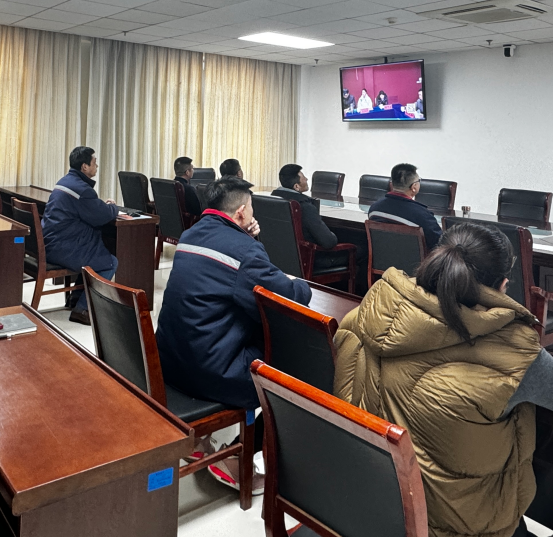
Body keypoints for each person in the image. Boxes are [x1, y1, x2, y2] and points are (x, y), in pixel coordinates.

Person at [334, 222, 553, 537]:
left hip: (378, 502)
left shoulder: (370, 312)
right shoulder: (513, 351)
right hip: (463, 525)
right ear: (502, 285)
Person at [156, 176, 312, 492]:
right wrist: (301, 284)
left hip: (170, 364)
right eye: (251, 210)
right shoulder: (244, 251)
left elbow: (233, 273)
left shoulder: (189, 235)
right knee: (298, 365)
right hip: (212, 374)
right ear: (241, 212)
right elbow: (288, 298)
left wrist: (248, 240)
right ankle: (236, 458)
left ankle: (201, 440)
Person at [42, 146, 119, 325]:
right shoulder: (82, 190)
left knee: (93, 255)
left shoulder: (64, 182)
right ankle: (83, 309)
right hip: (63, 247)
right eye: (94, 163)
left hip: (51, 242)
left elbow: (89, 209)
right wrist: (113, 207)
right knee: (109, 262)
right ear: (84, 166)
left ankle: (76, 298)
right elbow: (101, 216)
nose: (96, 166)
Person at [272, 164, 366, 282]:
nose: (307, 179)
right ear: (296, 186)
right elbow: (329, 242)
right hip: (312, 259)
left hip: (281, 257)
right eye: (304, 177)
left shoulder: (273, 201)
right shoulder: (305, 207)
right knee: (363, 248)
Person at [368, 163, 442, 250]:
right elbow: (440, 243)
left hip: (382, 258)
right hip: (415, 259)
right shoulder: (423, 216)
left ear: (391, 184)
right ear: (414, 187)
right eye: (419, 181)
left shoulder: (374, 209)